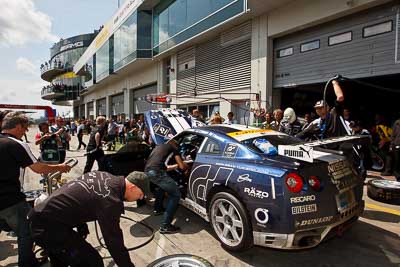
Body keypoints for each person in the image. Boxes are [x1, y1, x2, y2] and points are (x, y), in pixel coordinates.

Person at [28, 170, 150, 267]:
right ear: (133, 187)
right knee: (92, 262)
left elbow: (79, 195)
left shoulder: (104, 175)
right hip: (48, 228)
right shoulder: (111, 201)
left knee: (62, 260)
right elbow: (113, 241)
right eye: (140, 194)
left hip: (43, 218)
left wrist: (81, 224)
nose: (140, 199)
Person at [0, 112, 71, 267]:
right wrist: (60, 167)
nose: (25, 132)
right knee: (27, 231)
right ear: (18, 126)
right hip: (10, 199)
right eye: (25, 129)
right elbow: (38, 168)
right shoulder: (15, 144)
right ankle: (27, 264)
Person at [144, 139, 189, 233]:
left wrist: (175, 165)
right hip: (157, 172)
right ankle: (165, 226)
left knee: (161, 186)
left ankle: (158, 209)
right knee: (176, 195)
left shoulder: (159, 147)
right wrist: (186, 166)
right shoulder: (174, 148)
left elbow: (164, 167)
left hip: (148, 171)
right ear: (175, 143)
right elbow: (182, 167)